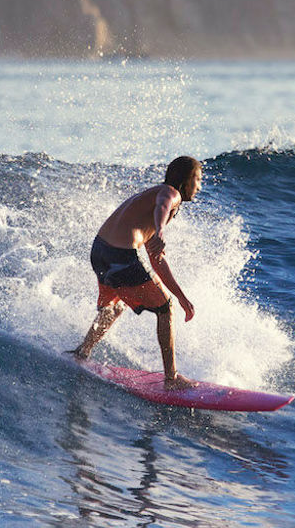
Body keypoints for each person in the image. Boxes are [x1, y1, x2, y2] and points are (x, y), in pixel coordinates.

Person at [72, 156, 202, 390]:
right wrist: (161, 230)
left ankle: (82, 352)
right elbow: (164, 204)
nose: (200, 186)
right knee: (165, 309)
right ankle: (171, 379)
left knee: (116, 306)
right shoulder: (170, 193)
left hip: (100, 250)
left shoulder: (148, 200)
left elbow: (156, 259)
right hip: (121, 256)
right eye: (198, 179)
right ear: (186, 179)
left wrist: (182, 297)